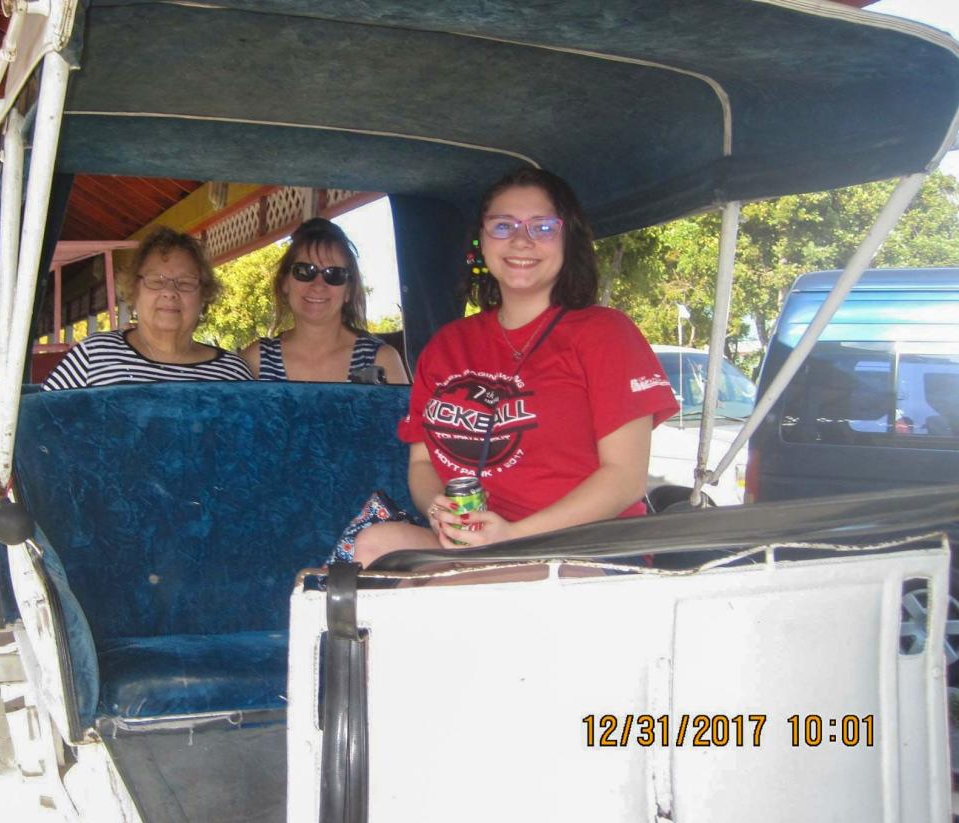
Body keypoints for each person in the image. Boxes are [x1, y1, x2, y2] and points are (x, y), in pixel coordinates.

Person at [352, 168, 679, 565]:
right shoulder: (447, 345)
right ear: (481, 241)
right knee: (372, 545)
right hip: (480, 547)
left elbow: (625, 479)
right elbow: (422, 463)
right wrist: (438, 510)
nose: (521, 240)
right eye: (503, 226)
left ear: (567, 238)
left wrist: (514, 537)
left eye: (542, 227)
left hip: (582, 549)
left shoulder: (606, 333)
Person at [42, 227, 253, 389]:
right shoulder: (94, 355)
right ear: (134, 290)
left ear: (204, 295)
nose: (169, 291)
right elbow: (41, 429)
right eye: (155, 280)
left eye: (186, 282)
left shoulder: (232, 373)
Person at [240, 218, 408, 384]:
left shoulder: (381, 361)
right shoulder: (256, 361)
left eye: (334, 274)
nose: (318, 285)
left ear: (348, 290)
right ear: (285, 282)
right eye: (305, 271)